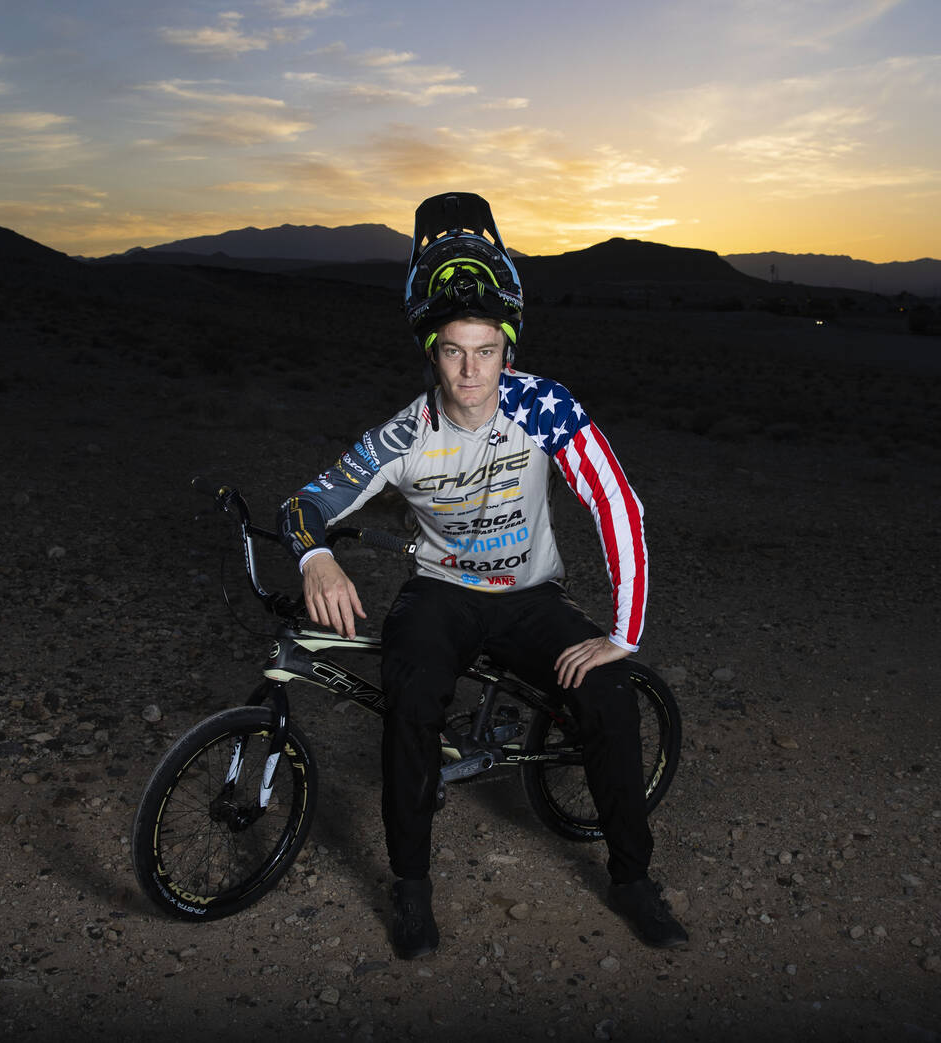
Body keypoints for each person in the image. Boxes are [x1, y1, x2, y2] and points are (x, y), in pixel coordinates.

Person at [277, 191, 687, 958]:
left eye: (486, 350)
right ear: (431, 350)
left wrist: (623, 635)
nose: (471, 371)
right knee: (410, 692)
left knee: (606, 692)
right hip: (441, 594)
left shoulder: (543, 406)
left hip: (530, 596)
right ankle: (411, 889)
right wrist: (317, 552)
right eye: (453, 351)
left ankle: (634, 881)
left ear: (508, 347)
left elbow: (617, 506)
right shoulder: (406, 431)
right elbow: (304, 501)